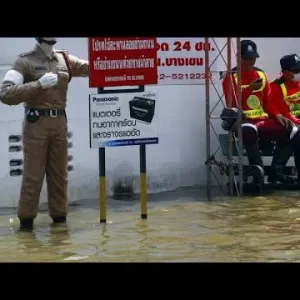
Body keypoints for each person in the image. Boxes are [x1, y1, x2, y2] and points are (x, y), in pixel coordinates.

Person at [0, 37, 89, 230]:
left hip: (59, 123)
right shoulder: (25, 61)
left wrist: (123, 58)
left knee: (60, 175)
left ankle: (60, 223)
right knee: (33, 176)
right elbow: (6, 93)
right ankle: (26, 225)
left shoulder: (65, 60)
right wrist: (38, 84)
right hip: (36, 124)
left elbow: (91, 68)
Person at [222, 39, 296, 184]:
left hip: (262, 119)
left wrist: (278, 115)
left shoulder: (261, 74)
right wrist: (249, 88)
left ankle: (276, 170)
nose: (251, 62)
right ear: (238, 57)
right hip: (242, 121)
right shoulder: (231, 76)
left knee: (292, 129)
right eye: (247, 58)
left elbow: (269, 102)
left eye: (253, 58)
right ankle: (259, 174)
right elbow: (231, 102)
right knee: (249, 130)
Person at [267, 54, 300, 184]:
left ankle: (276, 171)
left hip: (295, 122)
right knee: (296, 134)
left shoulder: (297, 82)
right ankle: (277, 172)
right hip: (285, 121)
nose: (298, 73)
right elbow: (285, 113)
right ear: (286, 72)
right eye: (296, 71)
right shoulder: (276, 86)